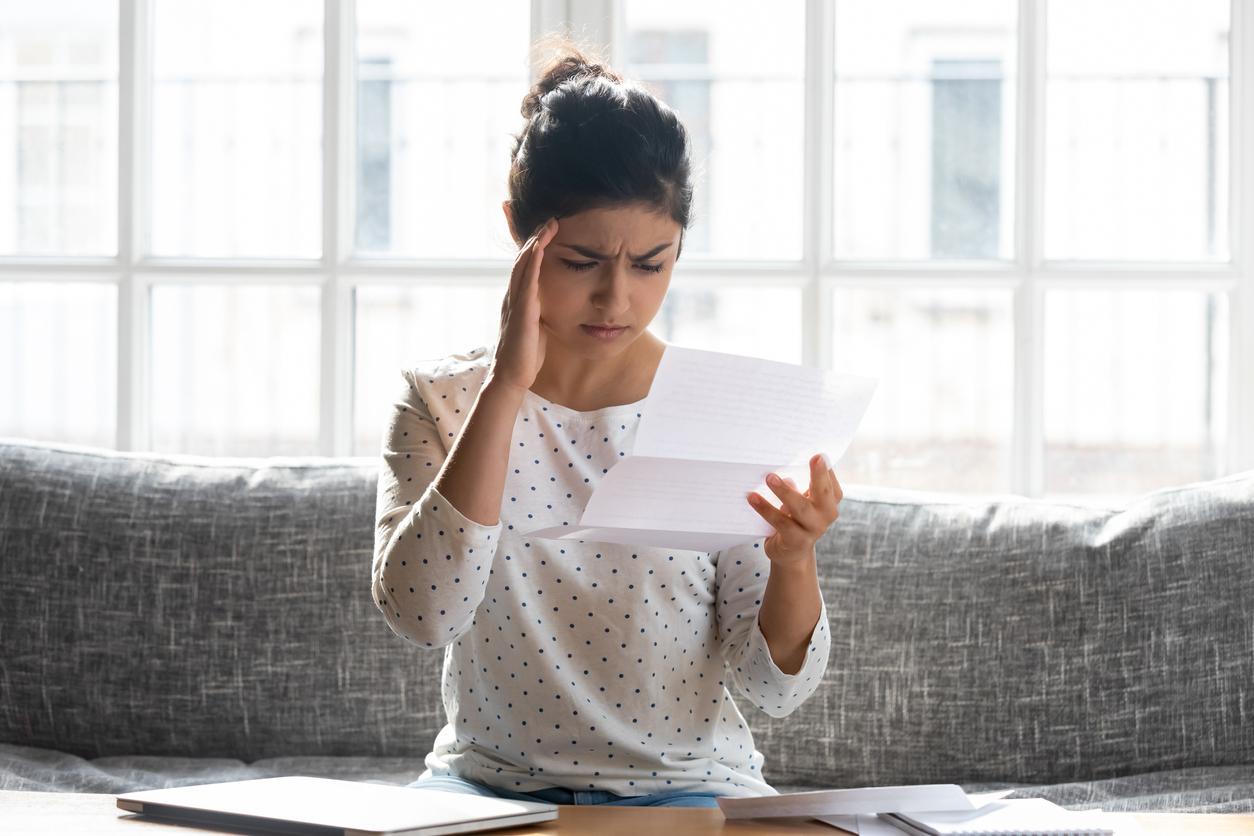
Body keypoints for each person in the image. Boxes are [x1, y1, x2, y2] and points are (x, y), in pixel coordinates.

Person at [371, 39, 844, 809]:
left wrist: (794, 560)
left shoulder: (720, 411)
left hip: (690, 791)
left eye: (651, 264)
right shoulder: (439, 401)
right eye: (583, 261)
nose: (616, 300)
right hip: (484, 791)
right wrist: (506, 387)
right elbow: (427, 615)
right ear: (518, 234)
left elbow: (774, 690)